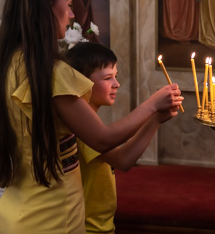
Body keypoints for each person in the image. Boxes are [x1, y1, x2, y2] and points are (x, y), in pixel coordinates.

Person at [0, 0, 183, 233]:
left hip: (16, 213)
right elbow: (102, 138)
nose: (71, 15)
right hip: (54, 216)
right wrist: (152, 104)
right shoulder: (50, 73)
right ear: (47, 8)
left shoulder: (1, 69)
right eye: (69, 5)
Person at [65, 42, 175, 234]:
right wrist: (152, 106)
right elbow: (123, 159)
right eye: (108, 78)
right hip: (88, 227)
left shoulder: (88, 122)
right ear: (81, 82)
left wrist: (156, 118)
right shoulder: (80, 128)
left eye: (116, 76)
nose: (116, 84)